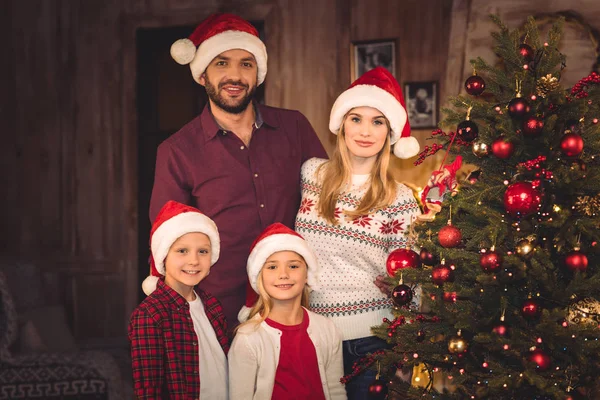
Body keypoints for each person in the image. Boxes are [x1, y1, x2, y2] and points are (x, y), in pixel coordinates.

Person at [150, 13, 327, 326]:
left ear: (258, 73)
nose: (235, 75)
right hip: (218, 310)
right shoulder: (177, 150)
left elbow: (330, 202)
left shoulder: (294, 127)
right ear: (202, 74)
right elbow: (167, 241)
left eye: (246, 63)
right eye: (221, 63)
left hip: (295, 303)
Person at [294, 67, 422, 399]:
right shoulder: (312, 174)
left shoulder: (400, 198)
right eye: (356, 119)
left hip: (372, 339)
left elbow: (412, 278)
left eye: (378, 121)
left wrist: (406, 344)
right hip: (311, 334)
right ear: (341, 125)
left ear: (389, 132)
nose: (365, 131)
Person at [229, 223, 346, 400]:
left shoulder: (327, 328)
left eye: (293, 266)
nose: (283, 274)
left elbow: (336, 389)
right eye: (272, 267)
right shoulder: (248, 337)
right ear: (259, 276)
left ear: (307, 274)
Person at [129, 200, 229, 399]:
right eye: (182, 251)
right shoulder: (150, 315)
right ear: (164, 255)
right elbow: (149, 392)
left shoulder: (212, 305)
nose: (193, 260)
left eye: (203, 251)